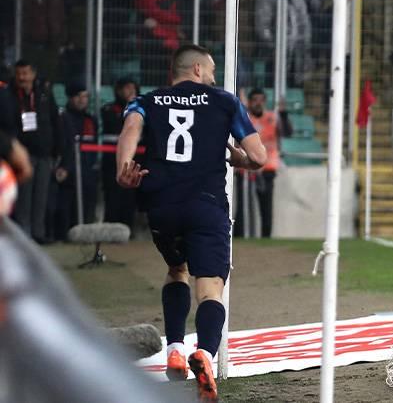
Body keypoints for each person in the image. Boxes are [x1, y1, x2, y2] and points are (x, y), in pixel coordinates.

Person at [116, 44, 266, 402]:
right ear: (197, 70)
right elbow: (260, 156)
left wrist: (124, 171)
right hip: (207, 203)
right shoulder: (225, 101)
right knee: (211, 288)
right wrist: (242, 161)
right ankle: (206, 356)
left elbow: (130, 130)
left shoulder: (147, 100)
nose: (214, 76)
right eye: (211, 70)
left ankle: (176, 349)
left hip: (161, 203)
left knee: (176, 269)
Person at [1, 60, 63, 243]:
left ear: (33, 74)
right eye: (19, 73)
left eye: (26, 73)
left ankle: (38, 233)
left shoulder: (43, 92)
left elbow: (54, 119)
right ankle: (23, 235)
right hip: (21, 153)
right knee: (23, 196)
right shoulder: (8, 94)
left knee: (41, 195)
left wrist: (56, 148)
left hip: (44, 152)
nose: (22, 77)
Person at [234, 88, 292, 238]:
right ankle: (239, 237)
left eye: (261, 100)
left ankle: (266, 238)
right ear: (250, 102)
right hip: (246, 169)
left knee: (266, 207)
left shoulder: (273, 118)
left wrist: (284, 114)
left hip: (267, 168)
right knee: (242, 207)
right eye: (255, 100)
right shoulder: (245, 118)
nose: (258, 103)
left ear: (265, 102)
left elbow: (287, 133)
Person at [54, 83, 98, 240]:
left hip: (87, 171)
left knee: (87, 205)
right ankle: (63, 236)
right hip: (68, 171)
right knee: (65, 206)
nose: (82, 100)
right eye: (78, 96)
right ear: (70, 97)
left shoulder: (91, 120)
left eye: (85, 96)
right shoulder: (62, 117)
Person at [101, 77, 140, 232]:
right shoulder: (109, 110)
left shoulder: (140, 109)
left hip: (135, 161)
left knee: (130, 198)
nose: (131, 92)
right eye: (127, 88)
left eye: (133, 88)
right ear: (119, 90)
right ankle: (110, 230)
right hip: (112, 161)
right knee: (112, 195)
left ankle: (128, 230)